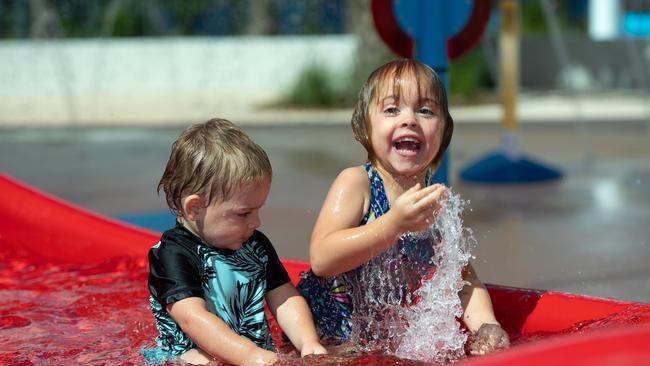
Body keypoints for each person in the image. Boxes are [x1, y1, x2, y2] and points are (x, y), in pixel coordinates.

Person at [296, 59, 510, 355]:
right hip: (326, 336)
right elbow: (322, 258)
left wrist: (487, 324)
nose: (409, 119)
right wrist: (393, 224)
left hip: (378, 343)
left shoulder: (433, 202)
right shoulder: (358, 183)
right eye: (391, 109)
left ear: (444, 130)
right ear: (365, 127)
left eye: (425, 110)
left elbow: (462, 280)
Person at [144, 118, 327, 365]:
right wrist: (251, 356)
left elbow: (284, 297)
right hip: (191, 355)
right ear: (195, 208)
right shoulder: (172, 254)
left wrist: (308, 343)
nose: (257, 222)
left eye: (258, 210)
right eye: (244, 213)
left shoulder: (255, 246)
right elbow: (192, 318)